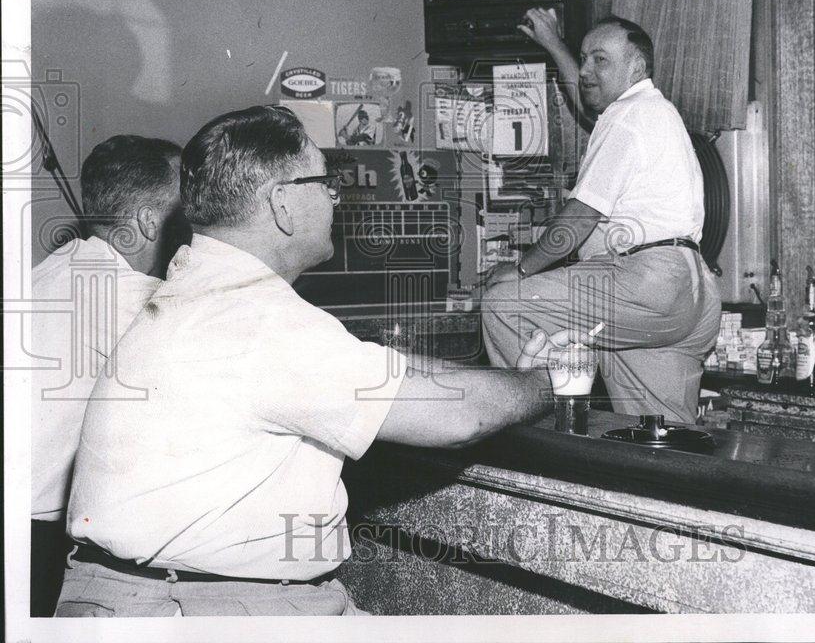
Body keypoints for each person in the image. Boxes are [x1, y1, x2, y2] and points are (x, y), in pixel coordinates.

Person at [56, 105, 567, 617]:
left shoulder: (204, 292)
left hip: (141, 596)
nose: (334, 197)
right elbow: (459, 417)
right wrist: (547, 383)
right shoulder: (260, 320)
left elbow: (384, 368)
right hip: (200, 606)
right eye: (325, 182)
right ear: (281, 203)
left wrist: (509, 376)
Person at [481, 10, 722, 423]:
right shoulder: (652, 112)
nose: (587, 69)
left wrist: (521, 270)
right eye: (584, 58)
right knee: (657, 438)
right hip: (691, 294)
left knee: (505, 304)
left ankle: (537, 445)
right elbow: (590, 102)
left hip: (643, 281)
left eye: (601, 59)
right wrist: (555, 44)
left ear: (636, 67)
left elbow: (581, 215)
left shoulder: (628, 118)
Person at [31, 135, 185, 616]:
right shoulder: (129, 296)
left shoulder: (59, 267)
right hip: (35, 531)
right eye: (191, 201)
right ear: (146, 220)